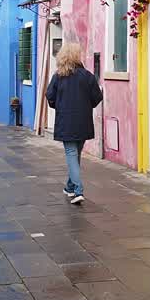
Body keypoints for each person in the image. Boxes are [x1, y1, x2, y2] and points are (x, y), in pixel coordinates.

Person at [45, 42, 103, 205]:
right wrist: (86, 106)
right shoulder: (87, 76)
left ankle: (78, 190)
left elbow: (50, 96)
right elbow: (97, 97)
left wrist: (60, 105)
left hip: (65, 120)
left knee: (72, 154)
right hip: (83, 120)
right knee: (75, 154)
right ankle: (70, 187)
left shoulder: (58, 76)